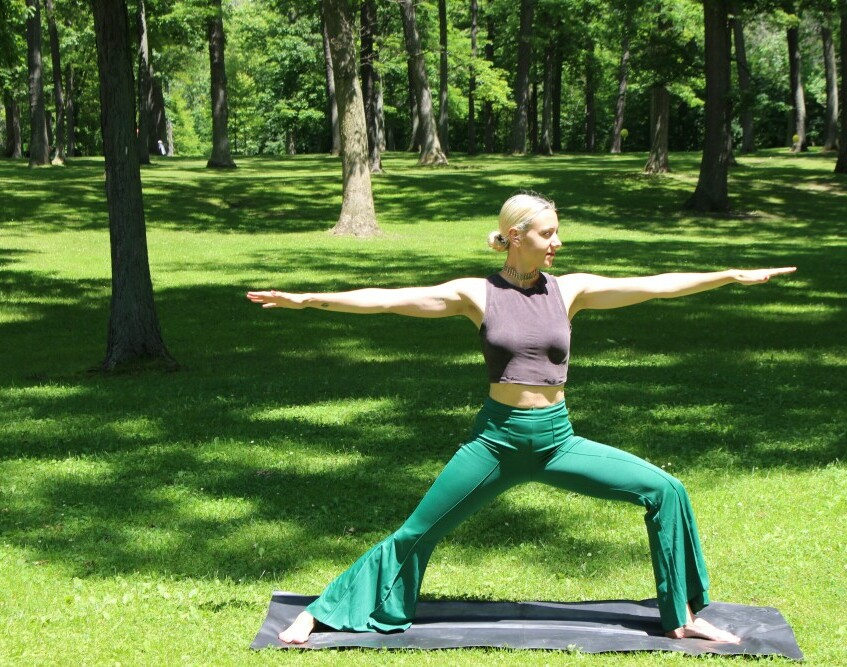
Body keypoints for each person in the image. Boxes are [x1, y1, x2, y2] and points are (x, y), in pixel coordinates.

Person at [247, 193, 796, 645]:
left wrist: (727, 275)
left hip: (559, 441)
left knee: (666, 490)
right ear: (514, 236)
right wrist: (310, 300)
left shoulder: (571, 289)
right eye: (547, 234)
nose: (557, 243)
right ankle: (323, 611)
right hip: (497, 443)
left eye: (558, 234)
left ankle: (684, 617)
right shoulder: (476, 294)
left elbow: (654, 285)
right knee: (417, 531)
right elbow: (391, 299)